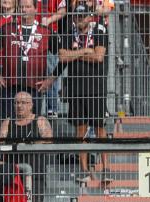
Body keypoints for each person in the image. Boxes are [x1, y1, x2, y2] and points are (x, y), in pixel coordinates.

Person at [0, 90, 52, 202]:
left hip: (36, 171)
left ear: (31, 105)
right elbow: (0, 142)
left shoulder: (40, 121)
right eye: (16, 103)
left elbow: (49, 139)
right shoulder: (8, 122)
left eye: (23, 103)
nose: (19, 106)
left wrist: (27, 144)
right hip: (14, 173)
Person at [58, 1, 108, 184]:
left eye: (83, 16)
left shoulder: (99, 29)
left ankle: (105, 169)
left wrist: (76, 53)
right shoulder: (67, 32)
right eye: (77, 16)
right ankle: (85, 170)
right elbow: (62, 57)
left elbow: (98, 57)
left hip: (95, 87)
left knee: (100, 128)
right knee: (81, 130)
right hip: (76, 87)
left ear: (90, 17)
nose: (79, 19)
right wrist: (86, 50)